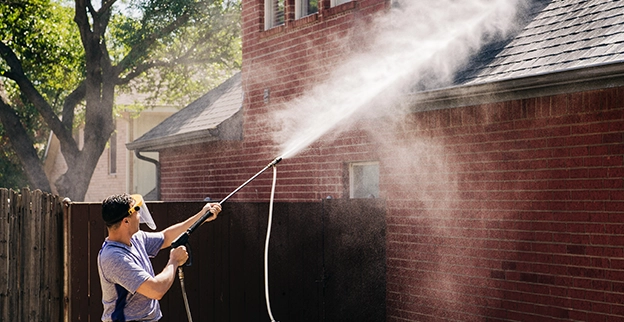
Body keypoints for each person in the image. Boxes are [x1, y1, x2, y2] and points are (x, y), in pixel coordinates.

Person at [97, 193, 221, 322]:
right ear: (126, 221)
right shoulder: (114, 257)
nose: (139, 216)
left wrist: (201, 216)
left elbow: (166, 237)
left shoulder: (136, 238)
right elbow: (156, 290)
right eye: (137, 211)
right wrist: (174, 261)